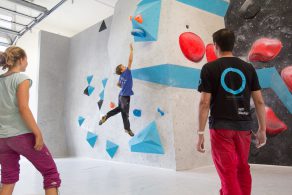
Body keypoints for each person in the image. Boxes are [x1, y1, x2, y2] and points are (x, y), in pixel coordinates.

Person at [196, 29, 266, 195]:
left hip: (221, 128)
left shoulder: (209, 68)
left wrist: (200, 133)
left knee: (227, 172)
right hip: (244, 127)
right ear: (233, 45)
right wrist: (262, 129)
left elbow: (204, 102)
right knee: (242, 167)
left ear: (216, 45)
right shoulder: (248, 68)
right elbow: (259, 101)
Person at [0, 46, 61, 195]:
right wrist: (37, 133)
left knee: (8, 178)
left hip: (2, 140)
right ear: (20, 60)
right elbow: (23, 108)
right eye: (26, 59)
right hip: (22, 136)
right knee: (50, 173)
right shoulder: (22, 79)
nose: (27, 62)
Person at [99, 44, 135, 137]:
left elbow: (118, 84)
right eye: (123, 66)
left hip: (121, 96)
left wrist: (124, 86)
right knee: (125, 113)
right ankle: (127, 129)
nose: (125, 66)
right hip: (125, 97)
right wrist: (131, 50)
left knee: (120, 109)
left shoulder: (121, 76)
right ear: (122, 70)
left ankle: (106, 116)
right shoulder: (126, 72)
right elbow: (130, 61)